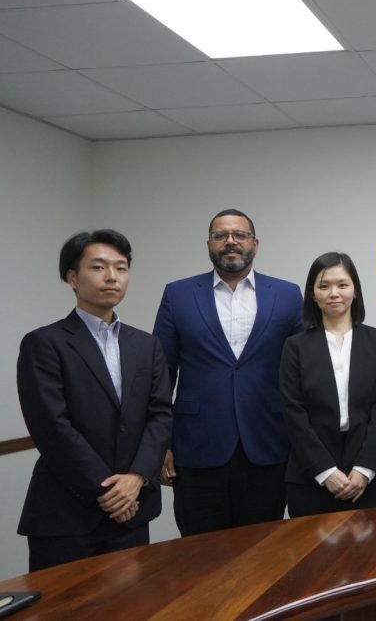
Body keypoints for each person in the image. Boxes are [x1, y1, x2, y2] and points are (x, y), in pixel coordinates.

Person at [17, 229, 172, 571]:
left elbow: (160, 415)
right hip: (66, 512)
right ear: (72, 277)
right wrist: (109, 491)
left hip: (133, 509)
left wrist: (137, 478)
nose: (112, 276)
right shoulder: (44, 343)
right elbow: (52, 426)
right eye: (99, 267)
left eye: (121, 268)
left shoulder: (146, 345)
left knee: (132, 599)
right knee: (66, 601)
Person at [153, 208, 303, 536]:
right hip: (195, 447)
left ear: (255, 243)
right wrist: (160, 443)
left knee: (262, 550)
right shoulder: (177, 295)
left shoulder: (288, 295)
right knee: (201, 552)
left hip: (269, 443)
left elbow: (302, 373)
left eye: (240, 235)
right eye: (220, 236)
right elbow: (161, 374)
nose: (230, 242)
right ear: (209, 244)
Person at [279, 252, 376, 515]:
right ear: (313, 294)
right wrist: (325, 471)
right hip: (309, 475)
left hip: (367, 475)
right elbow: (293, 412)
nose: (334, 293)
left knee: (373, 543)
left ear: (355, 291)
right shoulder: (295, 346)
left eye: (342, 285)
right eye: (324, 286)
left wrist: (364, 470)